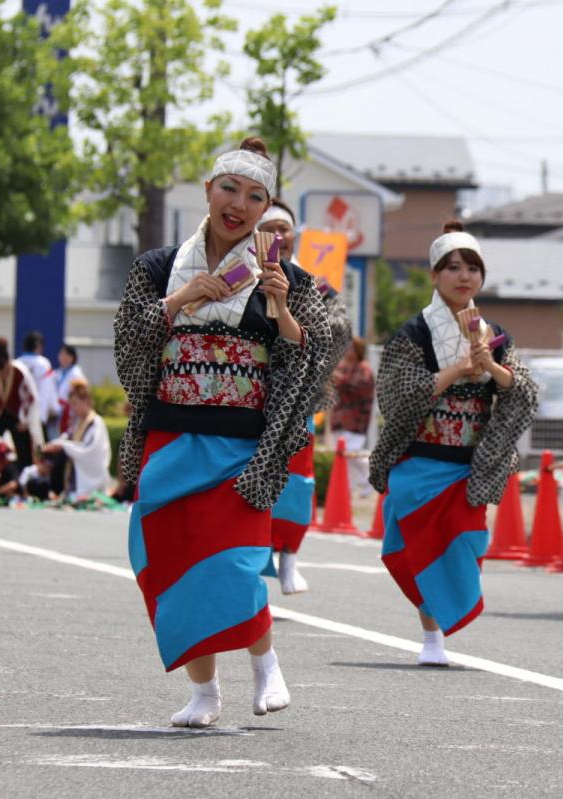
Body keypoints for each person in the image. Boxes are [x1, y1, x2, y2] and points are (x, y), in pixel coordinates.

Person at [116, 137, 332, 729]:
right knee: (167, 564)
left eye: (254, 196)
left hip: (243, 448)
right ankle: (204, 691)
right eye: (229, 190)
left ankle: (265, 663)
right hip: (170, 438)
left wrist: (283, 311)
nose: (238, 204)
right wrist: (181, 299)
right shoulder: (159, 267)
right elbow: (126, 345)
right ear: (208, 191)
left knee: (234, 565)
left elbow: (311, 364)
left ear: (267, 210)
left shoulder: (287, 277)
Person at [368, 221, 537, 667]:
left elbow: (524, 390)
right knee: (420, 549)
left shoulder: (494, 334)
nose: (464, 277)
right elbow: (396, 395)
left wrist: (492, 369)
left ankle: (441, 627)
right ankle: (432, 639)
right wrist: (457, 371)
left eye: (473, 269)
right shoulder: (414, 334)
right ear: (434, 275)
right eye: (454, 268)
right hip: (419, 461)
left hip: (468, 466)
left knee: (464, 544)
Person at [258, 197, 354, 596]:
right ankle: (252, 556)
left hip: (297, 402)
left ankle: (290, 558)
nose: (278, 235)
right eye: (270, 229)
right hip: (252, 400)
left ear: (296, 234)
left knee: (296, 484)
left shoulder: (318, 287)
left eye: (285, 228)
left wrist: (292, 313)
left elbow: (341, 331)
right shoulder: (239, 279)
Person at [41, 381, 111, 502]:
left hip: (92, 474)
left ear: (86, 402)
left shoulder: (95, 423)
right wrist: (55, 444)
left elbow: (89, 449)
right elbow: (66, 437)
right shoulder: (78, 423)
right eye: (71, 405)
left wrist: (64, 446)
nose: (73, 409)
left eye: (75, 404)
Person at [0, 336, 43, 469]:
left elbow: (31, 398)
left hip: (17, 418)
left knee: (24, 450)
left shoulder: (20, 372)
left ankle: (25, 475)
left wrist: (27, 421)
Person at [330, 336, 376, 499]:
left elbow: (359, 388)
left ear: (358, 350)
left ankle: (371, 477)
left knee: (352, 454)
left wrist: (340, 379)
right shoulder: (342, 366)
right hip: (339, 419)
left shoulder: (364, 369)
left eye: (351, 348)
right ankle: (348, 490)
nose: (347, 351)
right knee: (343, 459)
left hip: (356, 420)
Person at [17, 330, 57, 435]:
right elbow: (47, 391)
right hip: (38, 416)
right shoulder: (43, 364)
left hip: (19, 417)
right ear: (38, 346)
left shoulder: (17, 363)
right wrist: (51, 410)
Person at [49, 344, 87, 436]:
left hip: (69, 412)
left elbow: (81, 395)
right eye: (61, 354)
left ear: (73, 358)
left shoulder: (77, 373)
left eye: (67, 355)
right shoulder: (56, 373)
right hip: (55, 413)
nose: (63, 357)